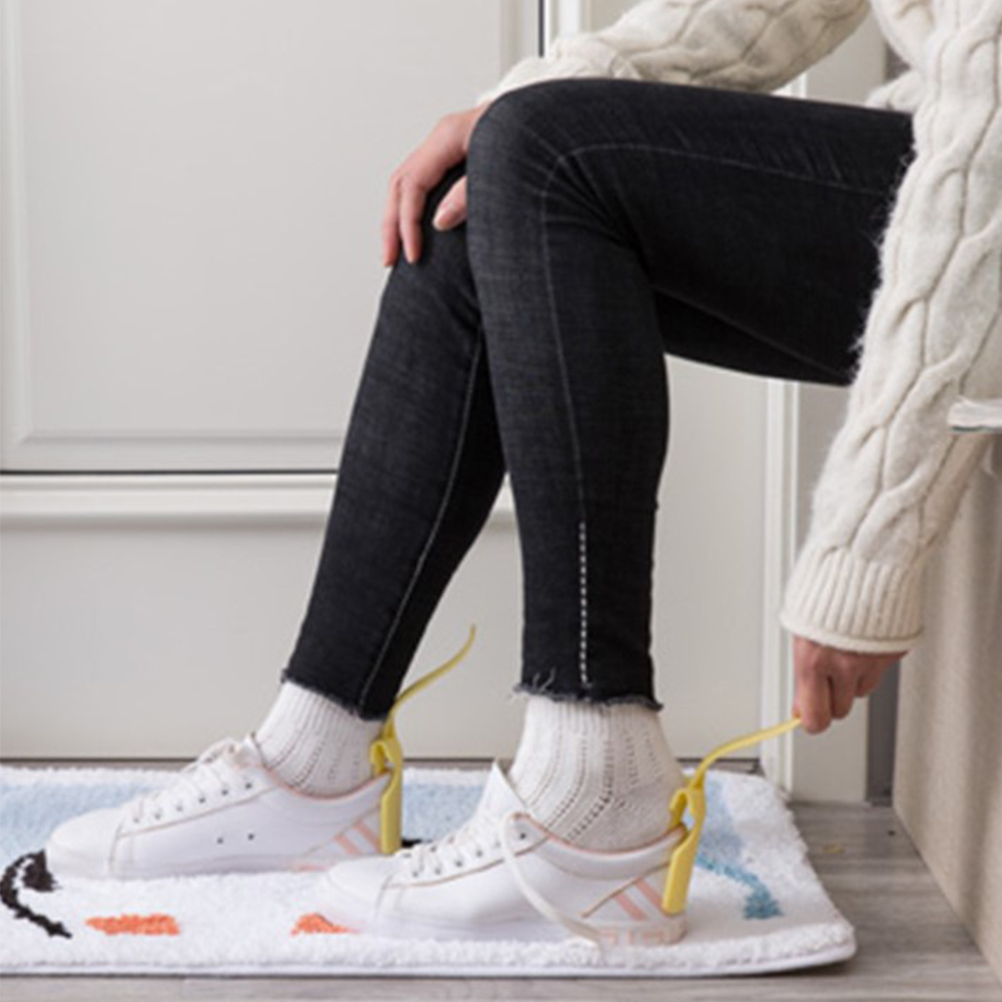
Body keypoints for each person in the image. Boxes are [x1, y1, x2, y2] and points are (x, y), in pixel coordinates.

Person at [46, 0, 1000, 945]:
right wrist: (510, 107)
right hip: (942, 143)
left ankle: (596, 785)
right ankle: (314, 760)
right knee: (483, 181)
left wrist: (868, 544)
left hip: (981, 177)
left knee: (540, 154)